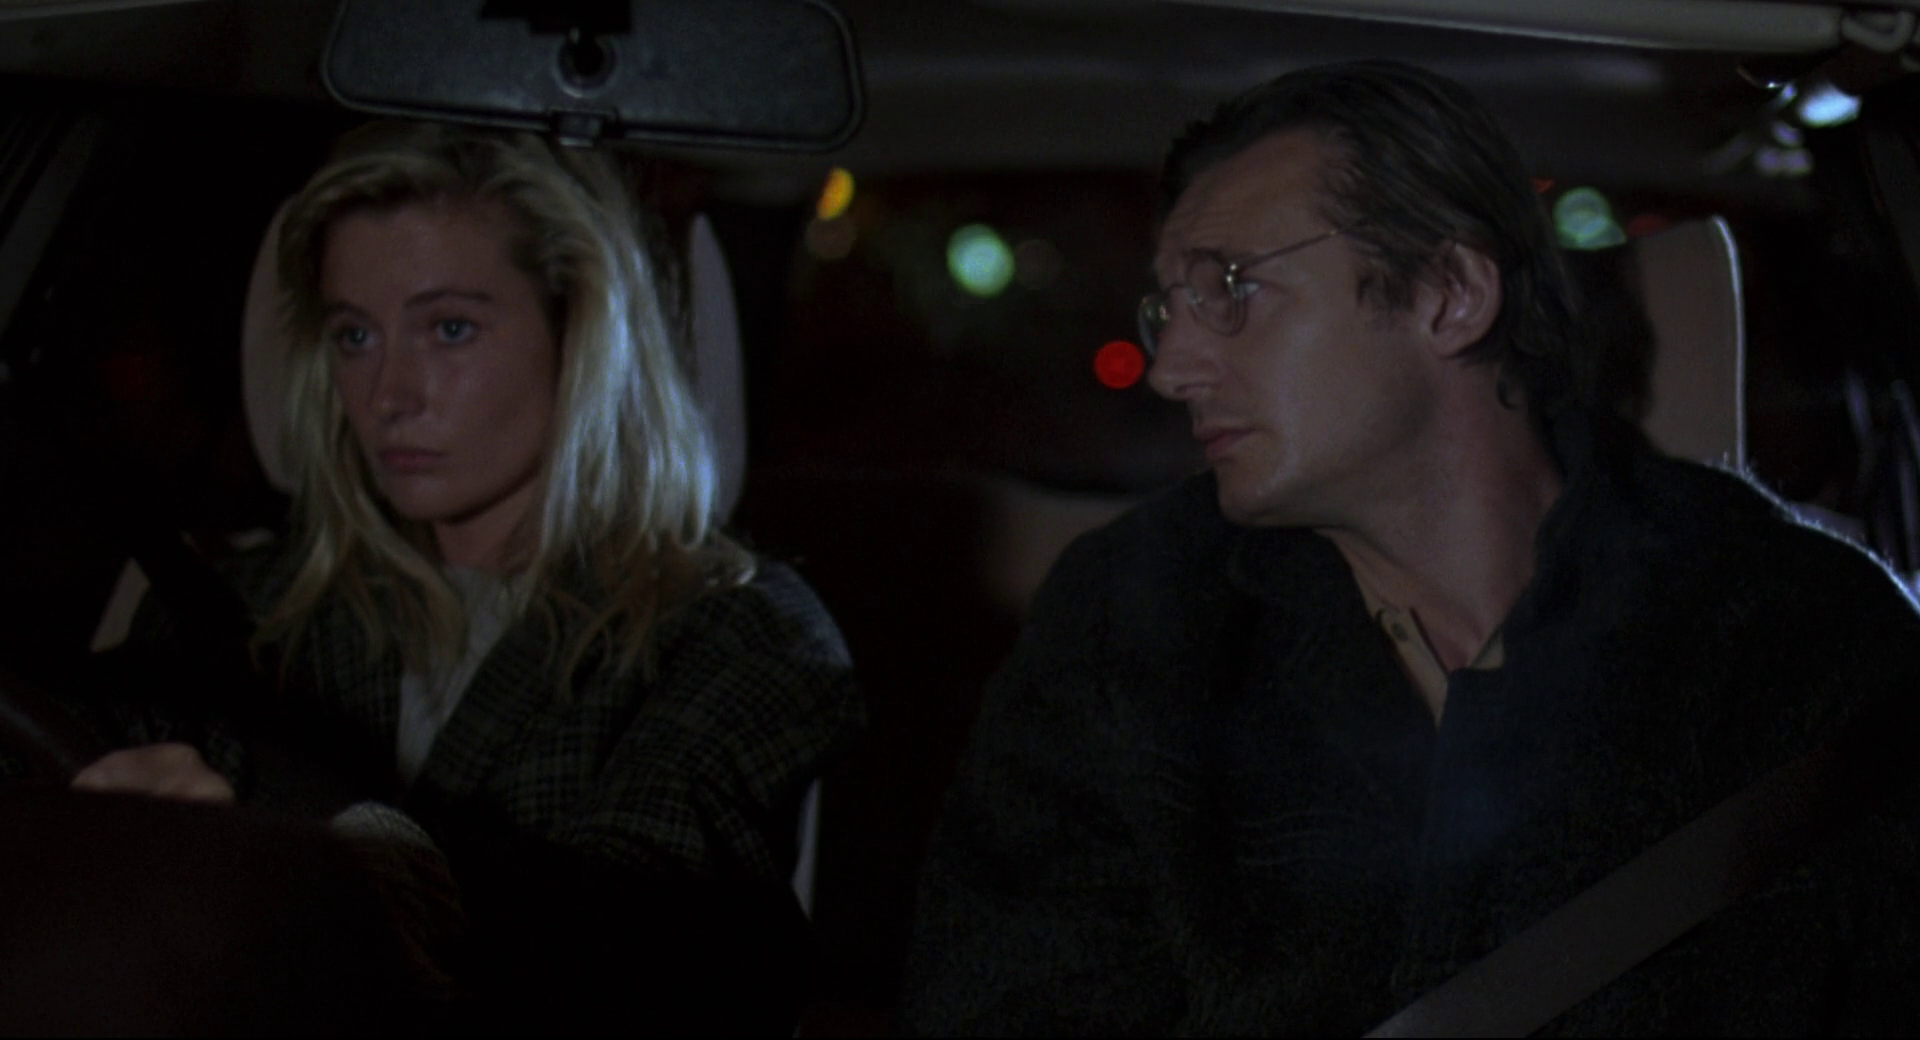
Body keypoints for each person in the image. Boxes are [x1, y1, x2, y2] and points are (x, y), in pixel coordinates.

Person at [901, 61, 1920, 1035]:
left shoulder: (1796, 634)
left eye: (1232, 288)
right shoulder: (1133, 626)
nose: (1171, 367)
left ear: (1447, 295)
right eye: (1170, 308)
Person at [39, 121, 862, 1032]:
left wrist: (355, 874)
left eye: (451, 329)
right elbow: (75, 734)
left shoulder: (733, 629)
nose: (389, 394)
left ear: (580, 338)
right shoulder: (241, 605)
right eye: (355, 335)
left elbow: (654, 924)